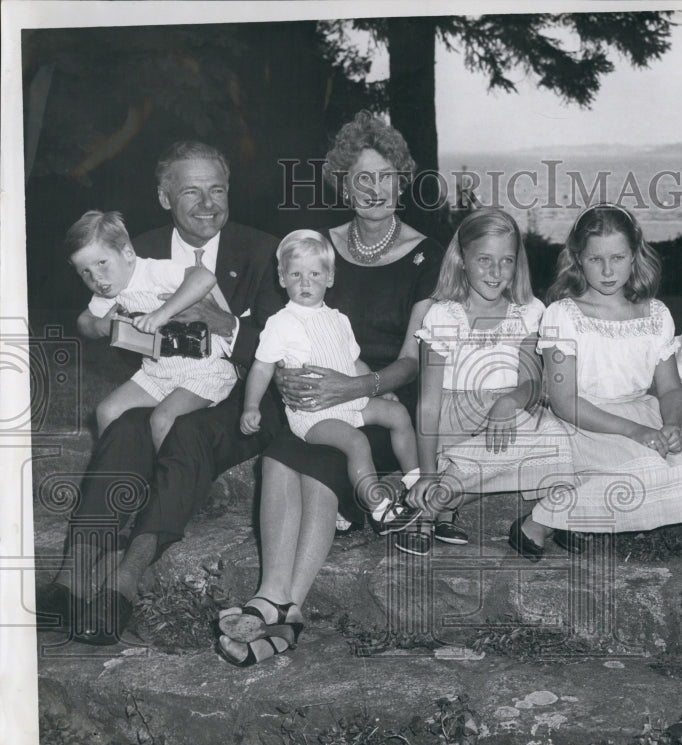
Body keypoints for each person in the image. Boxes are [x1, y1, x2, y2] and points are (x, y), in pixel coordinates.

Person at [216, 111, 442, 666]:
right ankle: (275, 601)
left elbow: (412, 360)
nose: (374, 189)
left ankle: (286, 604)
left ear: (402, 181)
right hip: (315, 399)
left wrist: (357, 384)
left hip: (381, 400)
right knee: (279, 456)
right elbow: (282, 328)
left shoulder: (428, 254)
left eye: (386, 176)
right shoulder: (317, 249)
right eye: (362, 177)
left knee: (320, 462)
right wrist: (286, 377)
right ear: (343, 183)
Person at [35, 141, 284, 644]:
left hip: (246, 390)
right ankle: (71, 577)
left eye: (217, 189)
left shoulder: (264, 250)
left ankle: (124, 584)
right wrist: (107, 328)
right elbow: (101, 319)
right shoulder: (132, 250)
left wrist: (224, 323)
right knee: (122, 423)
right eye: (191, 191)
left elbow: (287, 344)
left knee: (184, 432)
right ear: (164, 196)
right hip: (166, 374)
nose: (207, 203)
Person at [508, 204, 682, 561]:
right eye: (595, 259)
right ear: (578, 259)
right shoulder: (563, 315)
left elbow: (670, 388)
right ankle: (540, 521)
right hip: (585, 421)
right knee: (645, 469)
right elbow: (565, 402)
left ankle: (578, 518)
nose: (607, 270)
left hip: (641, 413)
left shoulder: (655, 314)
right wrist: (636, 432)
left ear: (634, 256)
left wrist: (672, 424)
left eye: (617, 257)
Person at [399, 208, 571, 556]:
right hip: (453, 422)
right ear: (462, 259)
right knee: (490, 444)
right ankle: (434, 496)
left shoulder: (529, 310)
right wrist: (427, 471)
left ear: (517, 263)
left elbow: (531, 383)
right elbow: (428, 403)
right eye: (484, 260)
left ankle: (440, 498)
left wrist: (509, 401)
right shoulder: (444, 314)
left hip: (504, 418)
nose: (496, 272)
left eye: (507, 261)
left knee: (558, 436)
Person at [239, 229, 421, 527]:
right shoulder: (280, 323)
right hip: (314, 414)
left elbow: (354, 361)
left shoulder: (339, 319)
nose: (305, 282)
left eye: (314, 274)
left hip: (350, 401)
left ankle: (415, 477)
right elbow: (262, 367)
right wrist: (251, 406)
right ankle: (378, 506)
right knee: (356, 442)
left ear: (330, 277)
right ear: (282, 278)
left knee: (398, 414)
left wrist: (377, 391)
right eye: (296, 275)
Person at [68, 210, 238, 450]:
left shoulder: (154, 271)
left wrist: (162, 313)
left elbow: (204, 277)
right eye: (85, 272)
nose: (97, 278)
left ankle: (170, 472)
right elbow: (83, 321)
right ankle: (116, 468)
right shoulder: (111, 290)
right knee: (107, 411)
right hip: (157, 372)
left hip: (205, 370)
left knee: (162, 419)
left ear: (127, 253)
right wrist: (99, 326)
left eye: (101, 263)